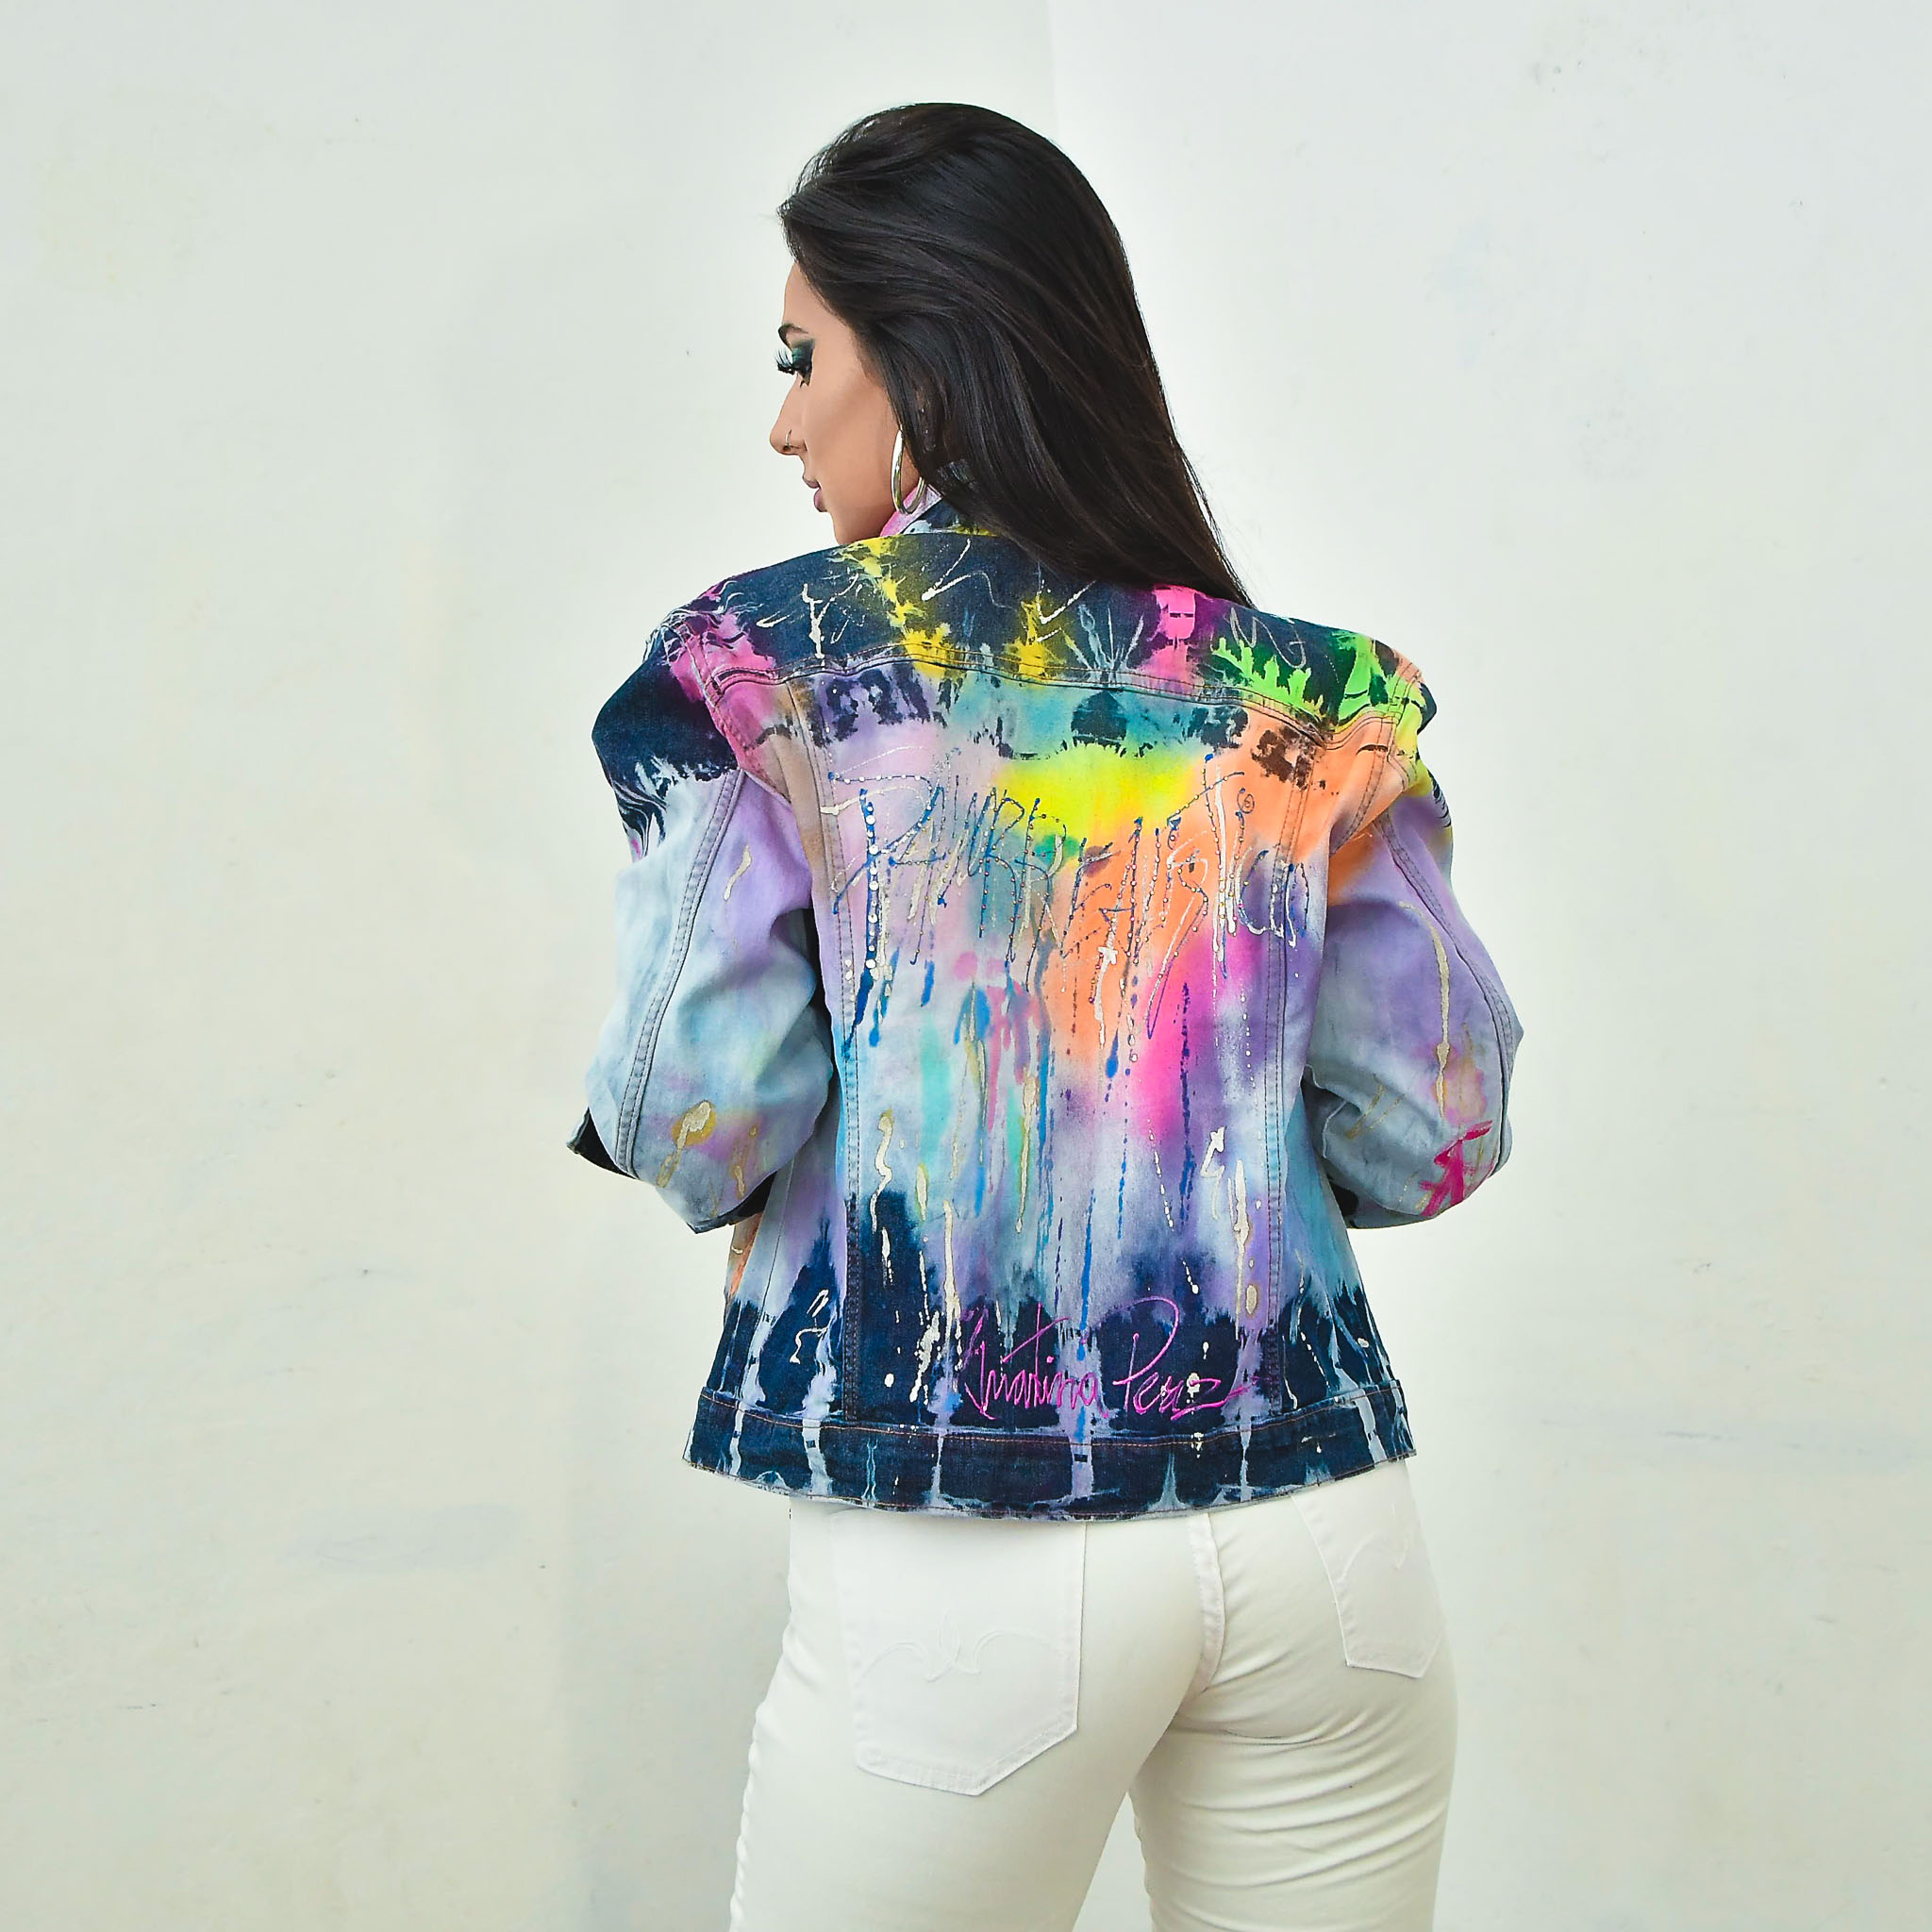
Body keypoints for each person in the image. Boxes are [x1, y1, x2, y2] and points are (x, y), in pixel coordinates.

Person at [568, 102, 1523, 1932]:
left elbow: (700, 1117)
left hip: (965, 1550)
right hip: (1322, 1536)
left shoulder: (754, 672)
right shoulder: (1317, 698)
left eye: (802, 358)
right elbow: (1430, 1128)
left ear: (921, 361)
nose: (782, 422)